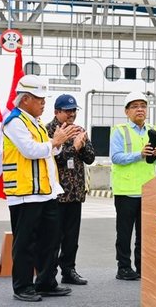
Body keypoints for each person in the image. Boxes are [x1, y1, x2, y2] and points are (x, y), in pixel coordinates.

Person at [2, 75, 78, 302]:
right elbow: (30, 151)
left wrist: (58, 142)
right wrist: (55, 142)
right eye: (39, 99)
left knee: (50, 239)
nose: (44, 103)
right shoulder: (14, 121)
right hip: (25, 194)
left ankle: (45, 282)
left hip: (45, 192)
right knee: (26, 243)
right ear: (25, 99)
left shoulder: (35, 122)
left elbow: (48, 153)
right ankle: (23, 286)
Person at [110, 91, 156, 281]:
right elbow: (115, 157)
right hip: (125, 191)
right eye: (134, 106)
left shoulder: (153, 130)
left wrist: (155, 155)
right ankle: (123, 267)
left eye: (143, 105)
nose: (140, 109)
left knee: (145, 234)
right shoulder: (119, 130)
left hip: (148, 191)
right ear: (126, 111)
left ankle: (143, 267)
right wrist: (139, 154)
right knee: (124, 234)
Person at [46, 94, 95, 286]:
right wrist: (74, 147)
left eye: (74, 110)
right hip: (57, 194)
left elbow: (90, 158)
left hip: (75, 193)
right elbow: (53, 158)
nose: (71, 114)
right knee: (52, 237)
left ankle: (69, 270)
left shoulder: (79, 130)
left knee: (71, 237)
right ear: (57, 111)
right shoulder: (48, 131)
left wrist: (81, 145)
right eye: (67, 111)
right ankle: (48, 274)